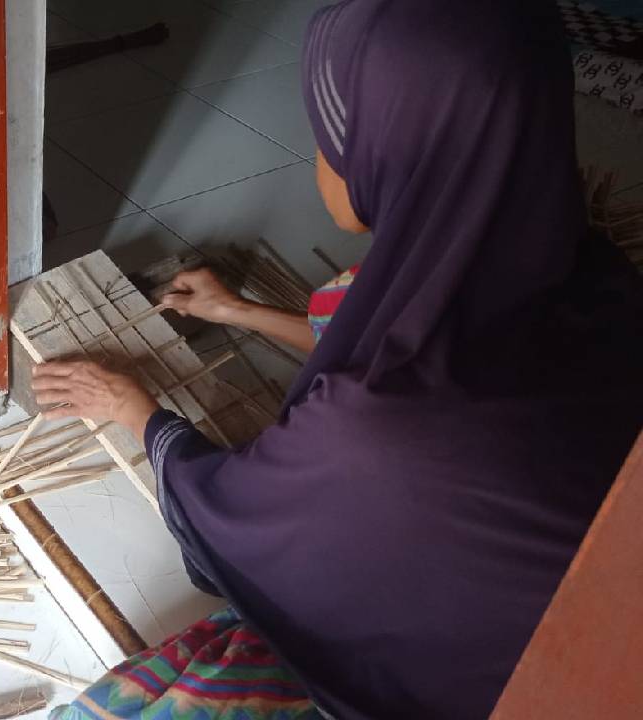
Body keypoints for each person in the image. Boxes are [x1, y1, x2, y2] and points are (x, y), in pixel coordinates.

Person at [35, 0, 643, 718]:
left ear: (394, 144)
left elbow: (239, 529)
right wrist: (238, 312)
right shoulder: (592, 277)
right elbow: (385, 351)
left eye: (330, 133)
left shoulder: (378, 439)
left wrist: (134, 412)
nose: (321, 155)